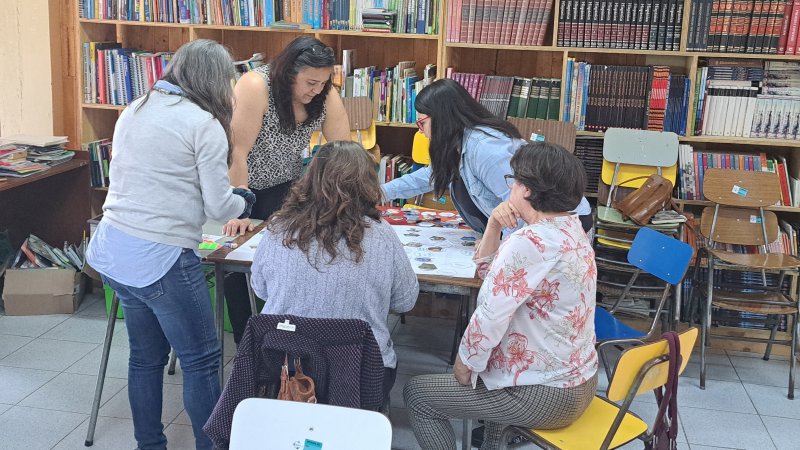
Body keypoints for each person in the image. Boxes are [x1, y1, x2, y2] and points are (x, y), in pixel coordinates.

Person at [85, 39, 256, 450]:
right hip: (160, 258)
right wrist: (244, 198)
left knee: (145, 357)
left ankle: (150, 445)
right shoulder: (203, 124)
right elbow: (219, 205)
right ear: (215, 82)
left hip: (112, 249)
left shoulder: (135, 109)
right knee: (201, 359)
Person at [403, 143, 598, 450]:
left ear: (527, 191)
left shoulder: (531, 241)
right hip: (580, 382)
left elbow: (491, 312)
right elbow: (491, 274)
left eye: (515, 181)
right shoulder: (572, 230)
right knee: (492, 384)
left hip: (545, 392)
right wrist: (493, 224)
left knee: (419, 395)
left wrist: (465, 362)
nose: (511, 187)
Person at [249, 140, 419, 410]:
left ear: (311, 179)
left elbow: (260, 289)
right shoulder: (381, 234)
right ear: (368, 184)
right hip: (362, 370)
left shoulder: (279, 228)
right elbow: (405, 302)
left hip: (287, 363)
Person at [222, 35, 351, 345]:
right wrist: (239, 206)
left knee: (298, 256)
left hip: (288, 188)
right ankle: (247, 342)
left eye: (322, 83)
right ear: (289, 72)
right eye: (310, 82)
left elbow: (344, 152)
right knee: (240, 265)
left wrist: (349, 200)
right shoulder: (256, 86)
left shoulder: (324, 93)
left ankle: (290, 335)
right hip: (244, 187)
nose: (316, 90)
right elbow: (236, 153)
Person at [381, 78, 593, 235]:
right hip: (533, 226)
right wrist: (380, 192)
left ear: (443, 119)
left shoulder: (486, 149)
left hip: (561, 225)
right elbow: (431, 175)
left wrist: (503, 256)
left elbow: (517, 209)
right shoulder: (459, 141)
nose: (420, 131)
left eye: (422, 123)